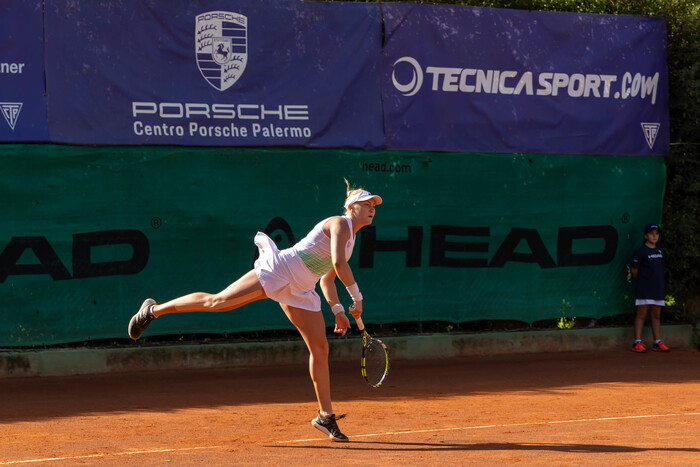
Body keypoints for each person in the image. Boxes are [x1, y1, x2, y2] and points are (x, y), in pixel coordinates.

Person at [127, 180, 383, 442]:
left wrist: (338, 309)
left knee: (320, 348)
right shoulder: (339, 224)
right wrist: (356, 297)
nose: (372, 208)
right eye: (367, 204)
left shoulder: (351, 239)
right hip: (279, 271)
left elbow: (326, 279)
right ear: (351, 207)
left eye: (374, 205)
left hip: (300, 290)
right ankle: (153, 310)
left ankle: (325, 417)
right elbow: (339, 264)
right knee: (217, 302)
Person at [630, 223, 670, 353]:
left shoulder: (660, 251)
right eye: (651, 234)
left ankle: (657, 342)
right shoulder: (640, 251)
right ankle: (637, 342)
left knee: (656, 315)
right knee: (642, 314)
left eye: (656, 233)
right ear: (646, 235)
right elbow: (634, 270)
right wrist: (642, 281)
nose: (654, 236)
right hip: (644, 287)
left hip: (658, 288)